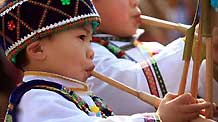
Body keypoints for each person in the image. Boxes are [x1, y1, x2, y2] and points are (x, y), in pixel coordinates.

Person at [0, 0, 212, 122]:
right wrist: (157, 118)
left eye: (91, 40)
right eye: (82, 38)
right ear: (37, 50)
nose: (91, 51)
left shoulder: (68, 93)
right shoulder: (37, 98)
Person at [88, 0, 218, 116]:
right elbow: (132, 88)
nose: (135, 2)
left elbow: (199, 85)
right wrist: (197, 42)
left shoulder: (152, 48)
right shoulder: (88, 54)